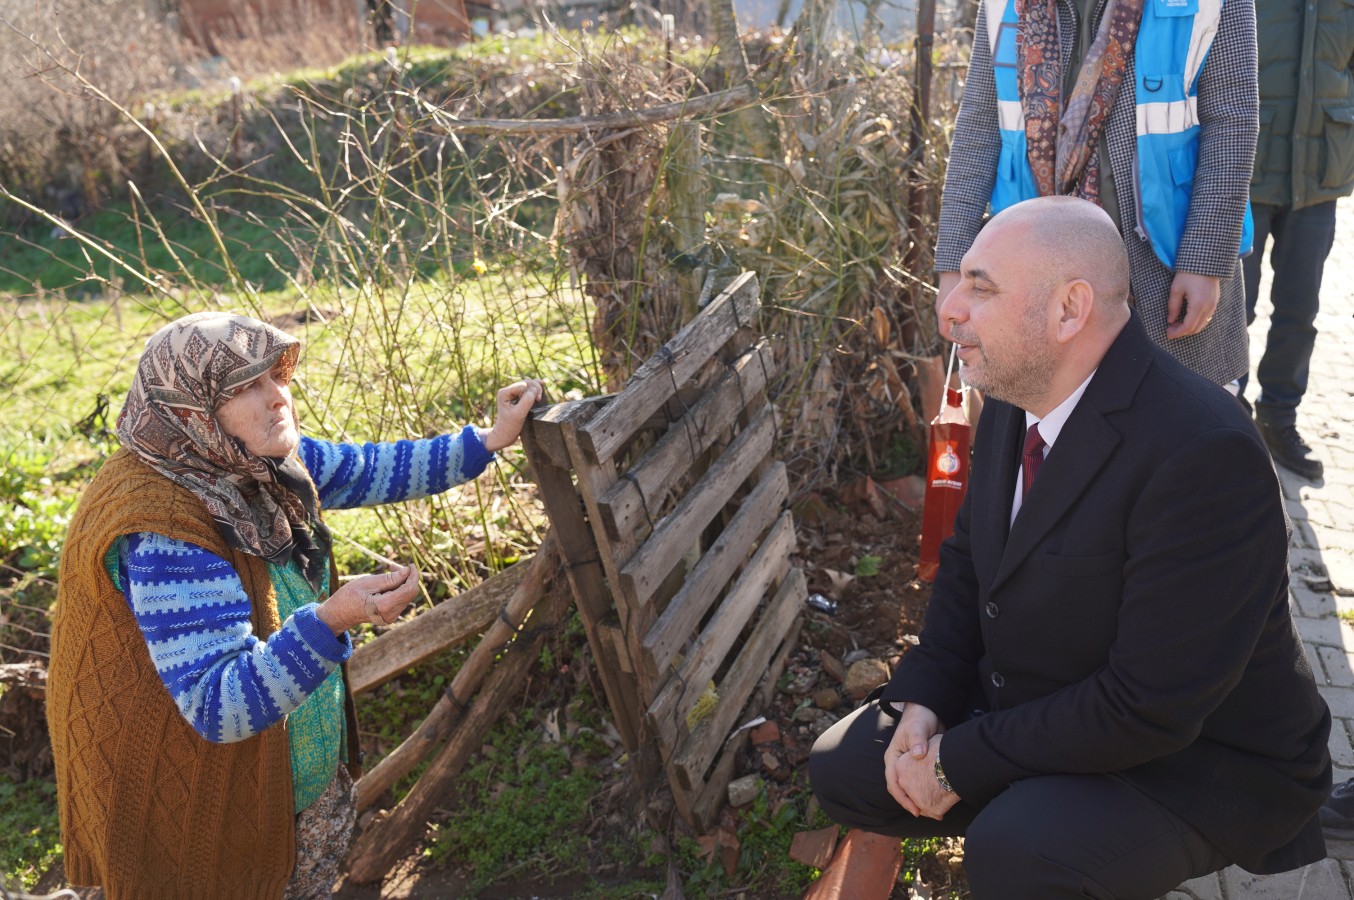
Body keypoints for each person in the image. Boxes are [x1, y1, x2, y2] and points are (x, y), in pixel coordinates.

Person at [811, 196, 1331, 897]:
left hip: (1195, 758)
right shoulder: (1018, 390)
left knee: (1023, 853)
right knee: (847, 765)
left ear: (1068, 310)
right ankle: (1031, 815)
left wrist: (959, 760)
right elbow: (968, 563)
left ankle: (1055, 837)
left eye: (981, 287)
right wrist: (925, 700)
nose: (949, 309)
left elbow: (1150, 705)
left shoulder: (1203, 453)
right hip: (1055, 698)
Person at [45, 312, 544, 898]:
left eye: (276, 376)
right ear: (190, 408)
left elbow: (362, 469)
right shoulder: (164, 532)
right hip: (205, 811)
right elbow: (219, 705)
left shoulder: (242, 461)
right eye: (245, 387)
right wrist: (334, 617)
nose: (277, 397)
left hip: (289, 786)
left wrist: (486, 441)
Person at [934, 0, 1258, 389]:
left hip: (1165, 267)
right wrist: (954, 266)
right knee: (1046, 432)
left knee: (1179, 425)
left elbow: (1232, 121)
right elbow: (978, 128)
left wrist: (1204, 261)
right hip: (1033, 272)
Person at [1238, 0, 1354, 480]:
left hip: (1317, 175)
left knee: (1299, 308)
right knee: (1230, 309)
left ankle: (1279, 417)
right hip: (1246, 169)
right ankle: (1224, 412)